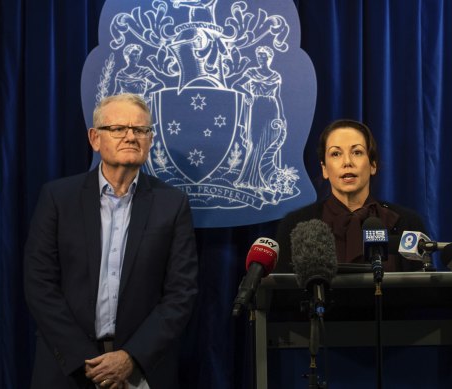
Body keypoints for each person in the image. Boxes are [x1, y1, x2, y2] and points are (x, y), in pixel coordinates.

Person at [24, 93, 198, 389]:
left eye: (141, 130)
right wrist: (85, 360)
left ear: (150, 139)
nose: (131, 136)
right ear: (95, 138)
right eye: (118, 129)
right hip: (68, 369)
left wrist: (131, 357)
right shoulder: (58, 199)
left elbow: (181, 293)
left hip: (140, 372)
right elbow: (39, 285)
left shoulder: (172, 204)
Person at [275, 119, 426, 273]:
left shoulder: (407, 224)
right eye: (336, 154)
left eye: (357, 152)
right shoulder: (295, 225)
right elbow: (282, 293)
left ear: (373, 164)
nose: (347, 162)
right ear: (325, 169)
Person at [232, 46, 286, 195]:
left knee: (268, 144)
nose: (260, 58)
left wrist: (281, 116)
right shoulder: (251, 72)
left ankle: (263, 179)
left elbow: (278, 97)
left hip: (272, 109)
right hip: (257, 108)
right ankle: (249, 179)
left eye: (263, 56)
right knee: (255, 143)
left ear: (269, 57)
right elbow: (235, 84)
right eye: (259, 56)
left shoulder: (276, 76)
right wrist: (247, 92)